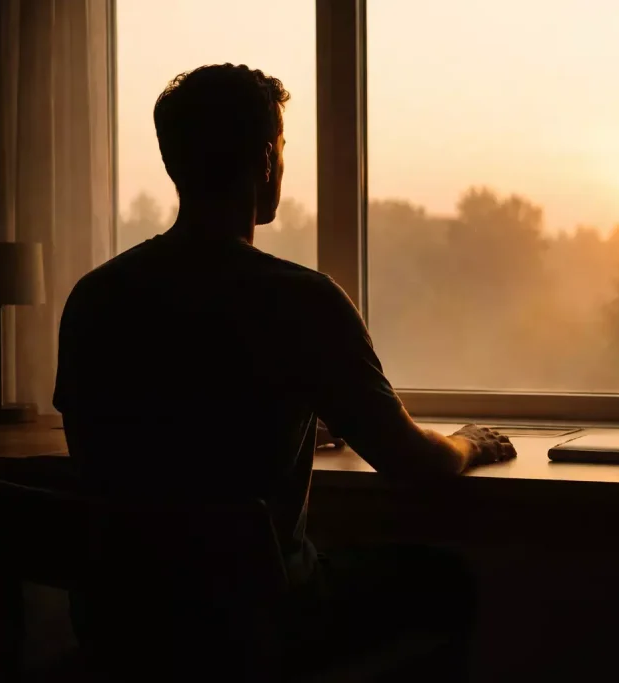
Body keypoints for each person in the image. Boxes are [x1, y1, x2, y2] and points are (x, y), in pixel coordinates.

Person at [53, 63, 516, 680]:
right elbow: (414, 465)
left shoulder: (95, 298)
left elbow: (133, 442)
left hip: (125, 631)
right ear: (267, 162)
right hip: (255, 628)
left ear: (173, 164)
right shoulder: (298, 300)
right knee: (443, 583)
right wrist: (469, 443)